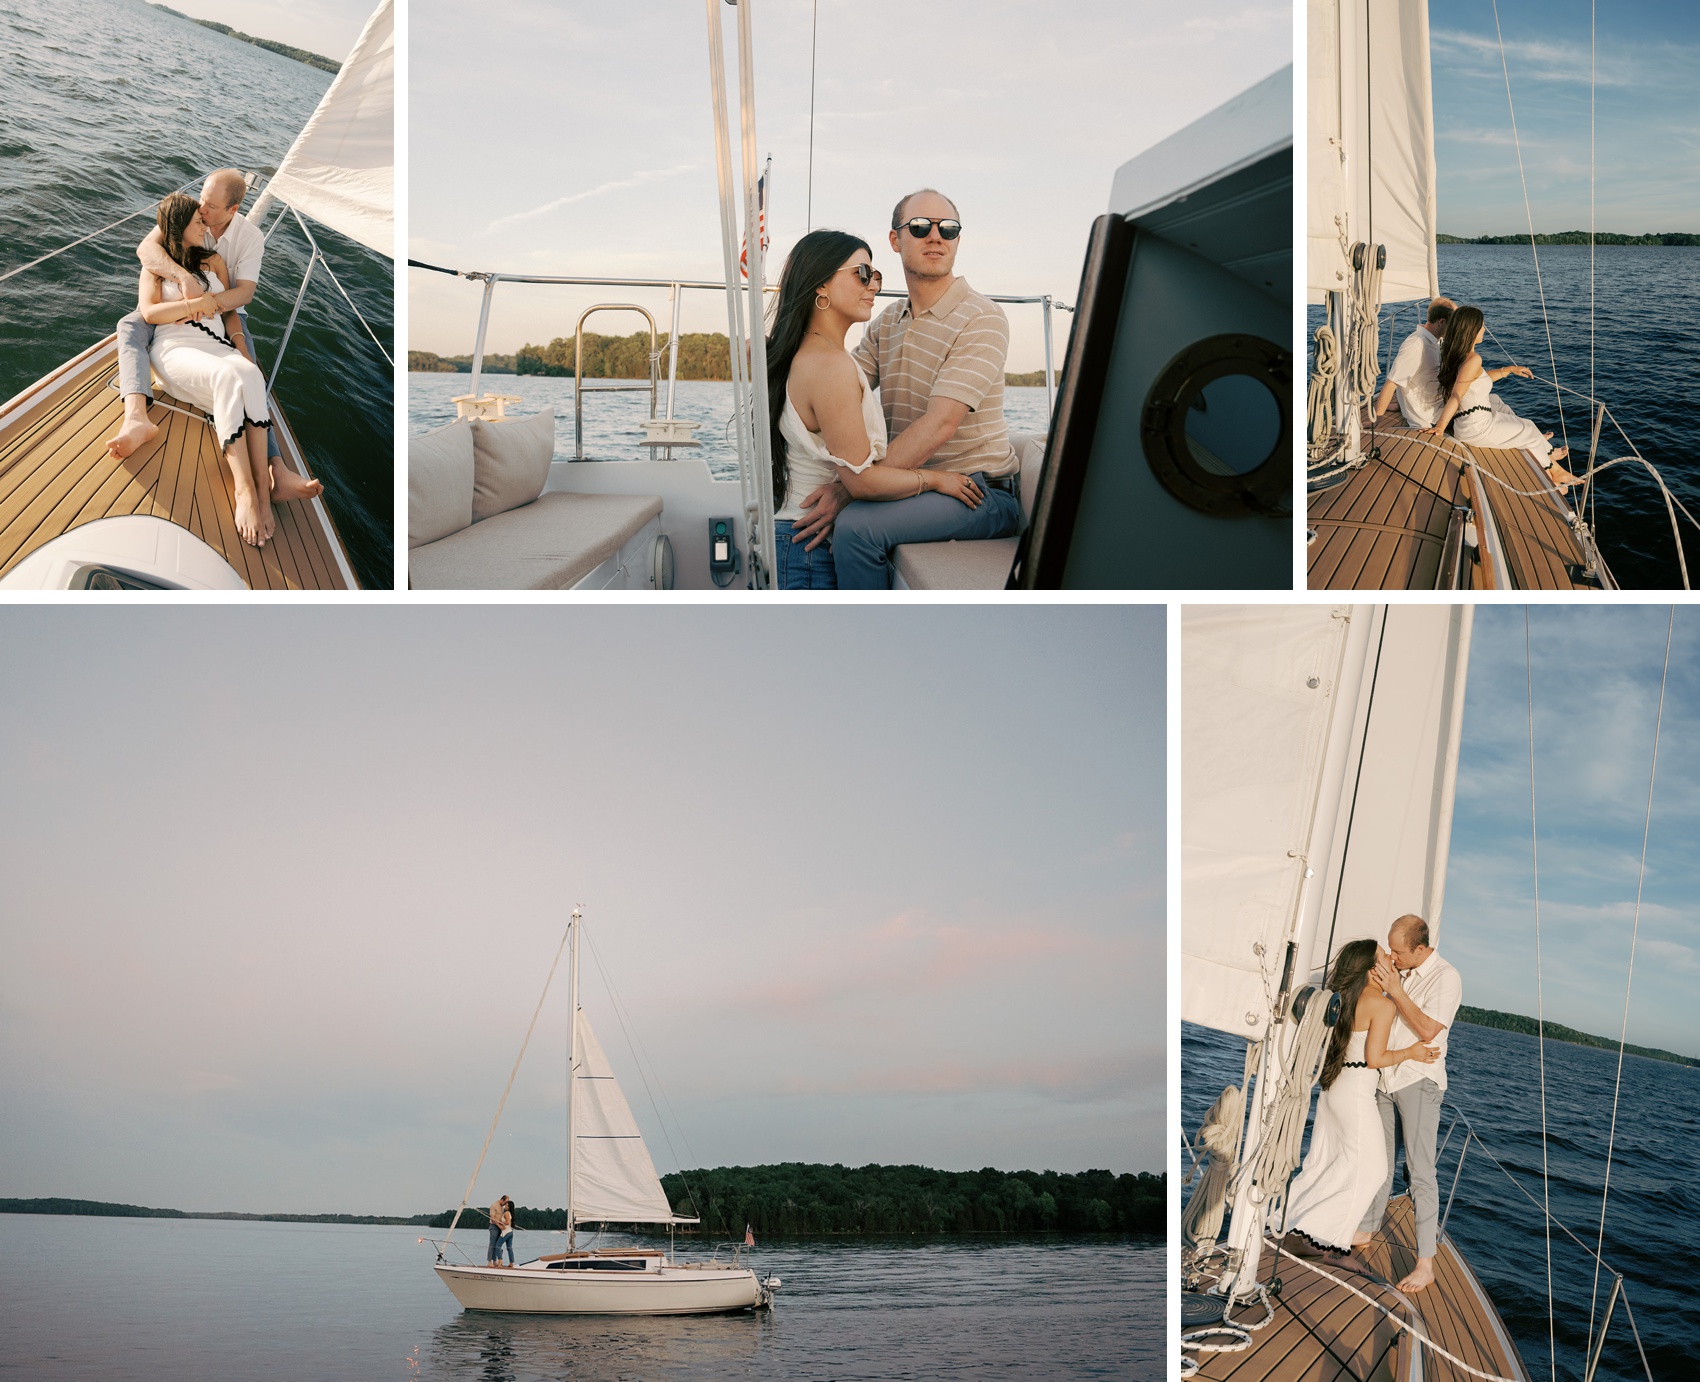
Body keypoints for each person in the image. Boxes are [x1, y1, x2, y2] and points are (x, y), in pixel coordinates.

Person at [787, 189, 1022, 588]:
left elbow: (941, 423)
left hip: (977, 492)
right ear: (895, 240)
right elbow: (841, 384)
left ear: (958, 241)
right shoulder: (889, 320)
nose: (935, 237)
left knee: (857, 528)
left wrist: (852, 487)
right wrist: (778, 352)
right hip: (910, 486)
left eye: (948, 229)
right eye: (920, 227)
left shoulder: (981, 317)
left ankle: (870, 636)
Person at [136, 194, 321, 547]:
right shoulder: (156, 268)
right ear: (179, 228)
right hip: (176, 348)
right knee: (229, 377)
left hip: (218, 346)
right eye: (197, 222)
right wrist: (194, 304)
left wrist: (240, 348)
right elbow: (148, 313)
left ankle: (266, 496)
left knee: (250, 374)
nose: (205, 225)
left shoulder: (215, 262)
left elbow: (231, 312)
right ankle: (245, 490)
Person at [1281, 938, 1439, 1273]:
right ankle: (1332, 1244)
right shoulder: (1381, 1005)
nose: (1390, 962)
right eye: (1384, 957)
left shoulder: (1341, 999)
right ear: (1370, 967)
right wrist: (1411, 1053)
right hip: (1355, 1092)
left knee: (1326, 1159)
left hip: (1332, 1088)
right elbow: (1375, 1059)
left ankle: (1293, 1226)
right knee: (1371, 1171)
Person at [107, 170, 278, 468]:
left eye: (210, 206)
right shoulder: (186, 216)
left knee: (249, 364)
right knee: (130, 324)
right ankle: (136, 418)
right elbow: (146, 249)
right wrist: (185, 279)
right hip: (174, 302)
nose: (202, 209)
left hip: (224, 308)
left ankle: (276, 464)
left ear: (232, 210)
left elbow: (245, 294)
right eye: (202, 199)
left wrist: (207, 305)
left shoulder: (249, 238)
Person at [764, 230, 892, 588]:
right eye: (862, 274)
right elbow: (862, 480)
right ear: (821, 284)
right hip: (810, 548)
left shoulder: (802, 354)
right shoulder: (829, 364)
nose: (874, 286)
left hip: (795, 541)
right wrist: (938, 480)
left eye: (876, 276)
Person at [1358, 914, 1464, 1295]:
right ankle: (1365, 1232)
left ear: (1421, 948)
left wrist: (1396, 988)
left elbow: (1427, 1030)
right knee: (1380, 1163)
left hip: (1419, 1079)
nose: (1392, 956)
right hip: (1388, 1076)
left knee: (1419, 1171)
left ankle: (1425, 1264)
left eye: (1399, 951)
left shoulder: (1446, 977)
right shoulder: (1398, 968)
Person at [1424, 305, 1582, 492]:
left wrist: (1507, 370)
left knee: (1524, 422)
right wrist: (1440, 427)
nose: (1484, 329)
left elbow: (1476, 381)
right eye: (1482, 326)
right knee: (1528, 431)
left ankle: (1547, 453)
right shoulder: (1473, 359)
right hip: (1477, 428)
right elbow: (1457, 395)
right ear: (1472, 330)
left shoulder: (1461, 356)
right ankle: (1554, 472)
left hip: (1472, 422)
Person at [1372, 297, 1454, 428]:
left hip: (1440, 407)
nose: (1455, 328)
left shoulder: (1435, 341)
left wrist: (1400, 404)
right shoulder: (1416, 345)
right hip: (1430, 419)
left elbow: (1417, 379)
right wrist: (1376, 419)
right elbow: (1392, 383)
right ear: (1441, 322)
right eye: (1453, 324)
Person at [487, 1195, 510, 1267]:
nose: (506, 1204)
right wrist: (499, 1225)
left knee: (497, 1245)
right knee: (492, 1244)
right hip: (494, 1226)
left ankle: (495, 1261)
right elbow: (492, 1218)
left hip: (500, 1227)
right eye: (505, 1202)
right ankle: (489, 1261)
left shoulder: (502, 1207)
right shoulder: (494, 1205)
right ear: (502, 1200)